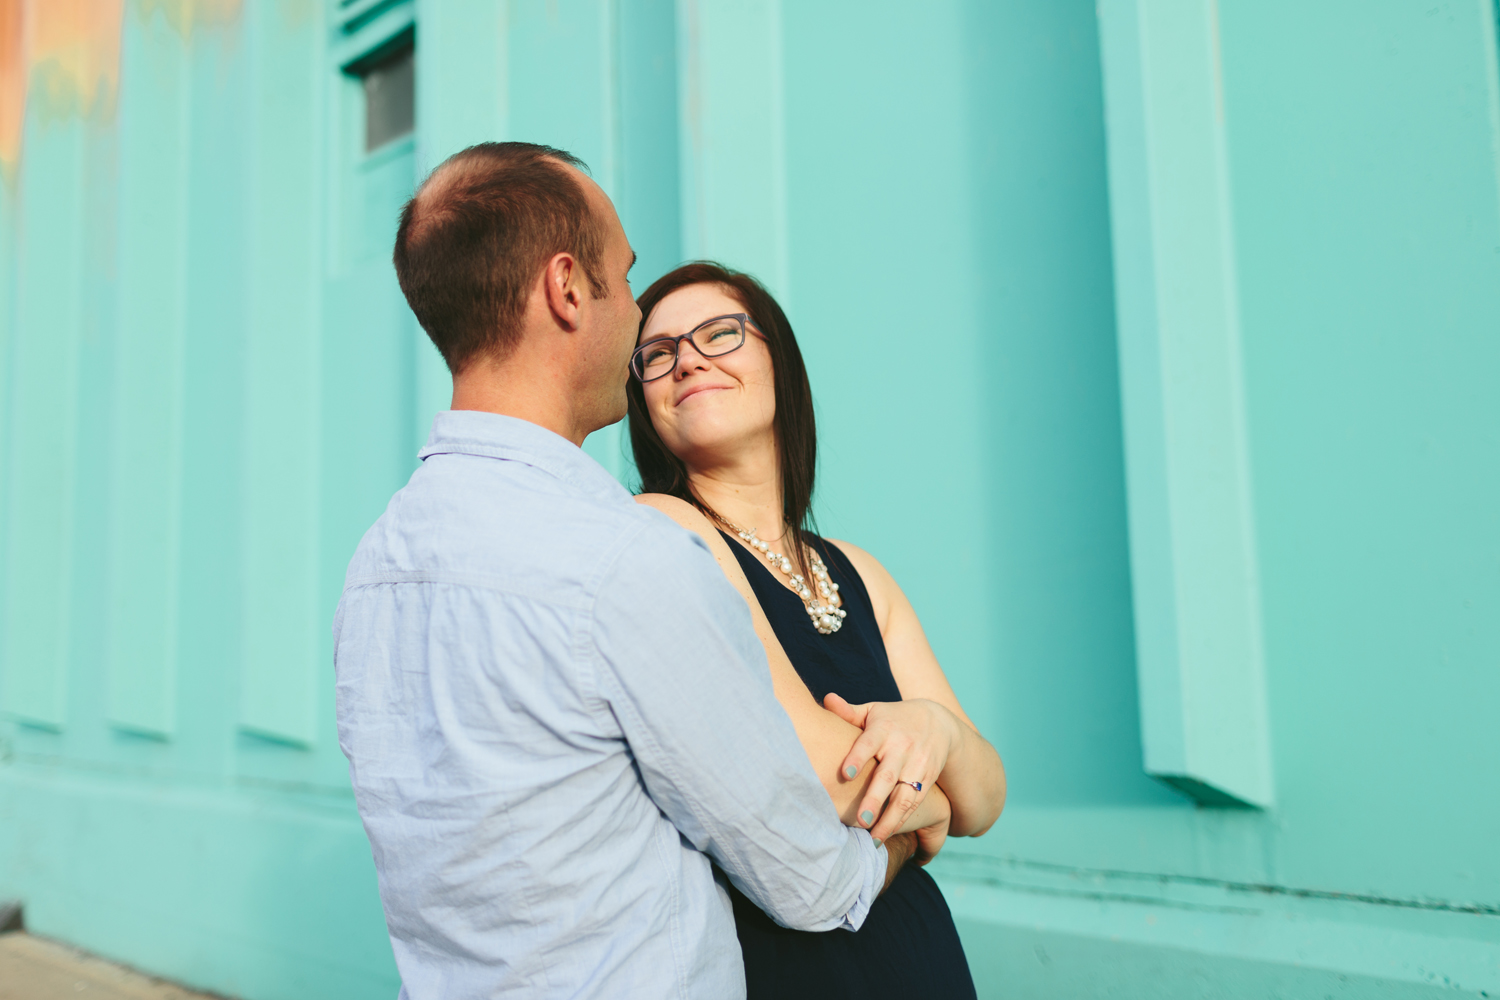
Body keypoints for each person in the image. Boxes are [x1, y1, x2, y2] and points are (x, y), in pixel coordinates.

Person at [332, 142, 948, 999]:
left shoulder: (375, 565)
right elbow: (810, 879)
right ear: (567, 289)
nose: (634, 319)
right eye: (622, 278)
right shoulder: (624, 558)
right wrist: (916, 832)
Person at [626, 262, 1007, 999]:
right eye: (658, 353)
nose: (689, 359)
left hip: (917, 954)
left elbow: (984, 800)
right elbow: (795, 771)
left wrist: (936, 729)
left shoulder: (858, 571)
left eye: (720, 333)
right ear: (643, 399)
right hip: (783, 966)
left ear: (779, 363)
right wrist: (928, 801)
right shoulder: (665, 528)